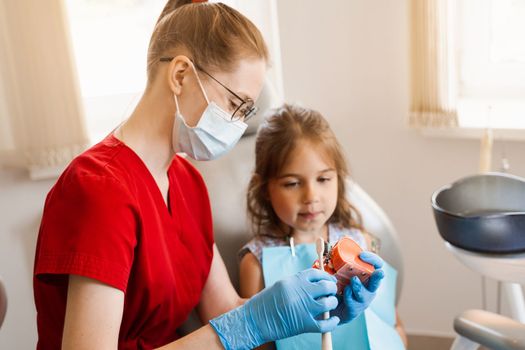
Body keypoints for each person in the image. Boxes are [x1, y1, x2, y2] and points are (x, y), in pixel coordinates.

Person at [33, 2, 384, 349]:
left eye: (247, 111)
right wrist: (253, 321)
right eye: (235, 104)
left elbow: (227, 311)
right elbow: (238, 327)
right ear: (181, 75)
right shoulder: (99, 190)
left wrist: (315, 305)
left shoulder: (187, 182)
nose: (239, 124)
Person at [239, 104, 408, 349]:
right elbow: (255, 343)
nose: (311, 196)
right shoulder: (256, 261)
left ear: (339, 178)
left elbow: (393, 326)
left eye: (323, 179)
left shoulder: (360, 245)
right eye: (292, 183)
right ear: (265, 188)